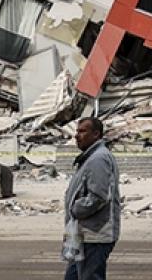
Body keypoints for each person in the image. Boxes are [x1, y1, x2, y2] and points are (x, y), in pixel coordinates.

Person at [64, 117, 121, 280]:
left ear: (96, 134)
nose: (77, 135)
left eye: (82, 131)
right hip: (84, 234)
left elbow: (98, 196)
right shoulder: (90, 157)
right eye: (77, 131)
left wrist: (75, 209)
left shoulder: (98, 159)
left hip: (96, 234)